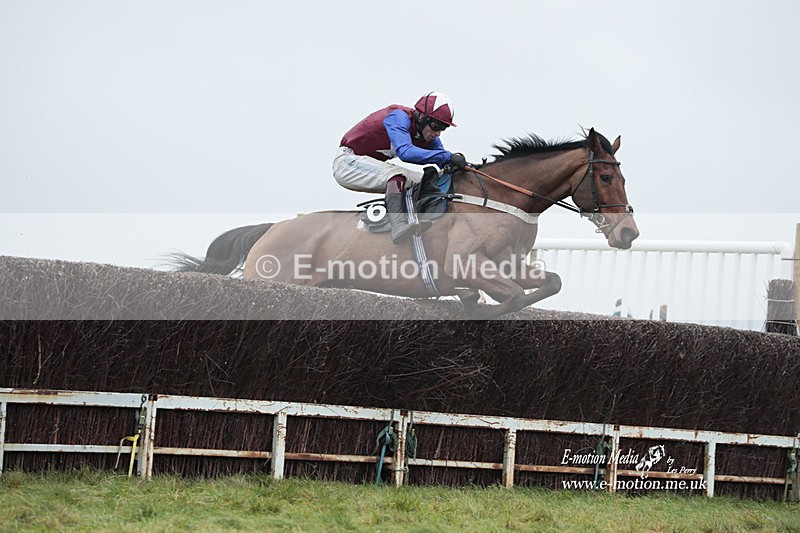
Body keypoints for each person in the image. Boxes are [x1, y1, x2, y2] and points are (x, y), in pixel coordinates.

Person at [333, 91, 467, 244]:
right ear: (422, 118)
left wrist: (461, 164)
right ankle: (398, 226)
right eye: (436, 126)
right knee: (395, 175)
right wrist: (447, 157)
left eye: (443, 128)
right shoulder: (398, 117)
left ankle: (417, 218)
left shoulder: (428, 134)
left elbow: (442, 158)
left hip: (367, 163)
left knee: (427, 180)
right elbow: (405, 153)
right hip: (347, 162)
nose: (437, 133)